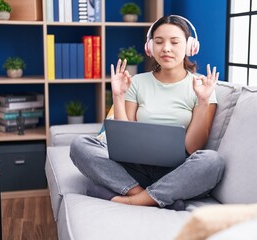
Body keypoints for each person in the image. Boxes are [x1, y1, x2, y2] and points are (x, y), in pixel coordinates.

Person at [70, 15, 225, 211]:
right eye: (159, 42)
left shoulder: (202, 87)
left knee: (212, 161)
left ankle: (130, 198)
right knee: (79, 145)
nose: (166, 48)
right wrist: (118, 96)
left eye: (174, 42)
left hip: (176, 172)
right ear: (150, 48)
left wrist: (203, 101)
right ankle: (152, 197)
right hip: (135, 168)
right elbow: (124, 140)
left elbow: (193, 147)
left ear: (190, 46)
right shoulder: (138, 82)